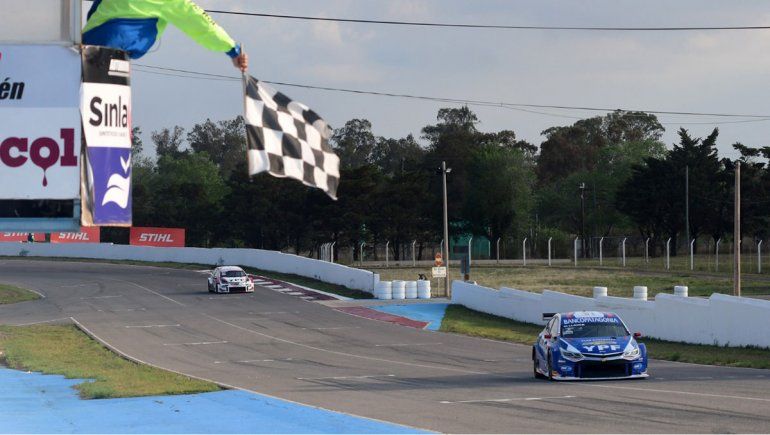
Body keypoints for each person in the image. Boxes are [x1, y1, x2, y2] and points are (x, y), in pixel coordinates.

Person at [82, 0, 248, 71]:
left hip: (85, 45)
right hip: (110, 55)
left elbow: (96, 7)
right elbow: (200, 23)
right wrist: (232, 48)